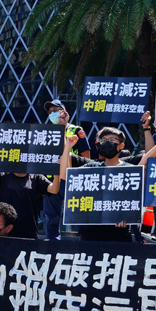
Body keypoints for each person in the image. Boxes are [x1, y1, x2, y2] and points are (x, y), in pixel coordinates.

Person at [0, 125, 62, 240]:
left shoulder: (35, 177)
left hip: (28, 230)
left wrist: (57, 170)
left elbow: (54, 189)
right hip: (6, 231)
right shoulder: (3, 176)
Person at [62, 127, 145, 242]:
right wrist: (67, 147)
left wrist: (127, 218)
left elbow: (133, 199)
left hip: (118, 233)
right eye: (104, 140)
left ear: (121, 145)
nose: (107, 143)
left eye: (112, 140)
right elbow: (65, 176)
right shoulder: (91, 167)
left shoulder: (129, 171)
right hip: (90, 233)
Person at [40, 99, 90, 240]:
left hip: (72, 177)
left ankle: (82, 238)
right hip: (53, 177)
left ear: (64, 112)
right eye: (50, 112)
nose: (53, 114)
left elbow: (86, 155)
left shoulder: (76, 130)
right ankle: (52, 238)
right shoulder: (46, 132)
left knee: (78, 208)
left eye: (56, 111)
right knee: (51, 212)